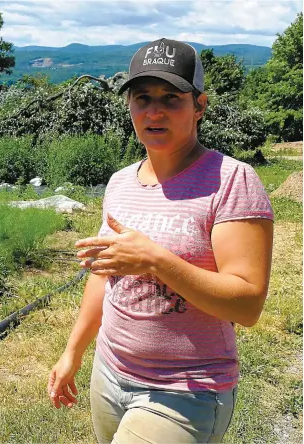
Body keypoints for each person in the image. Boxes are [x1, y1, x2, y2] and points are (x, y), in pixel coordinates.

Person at [47, 38, 274, 444]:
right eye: (142, 97)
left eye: (171, 97)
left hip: (186, 389)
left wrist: (155, 259)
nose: (154, 111)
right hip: (110, 373)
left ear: (199, 106)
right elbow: (103, 277)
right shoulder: (120, 183)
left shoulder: (231, 181)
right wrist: (74, 352)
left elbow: (248, 303)